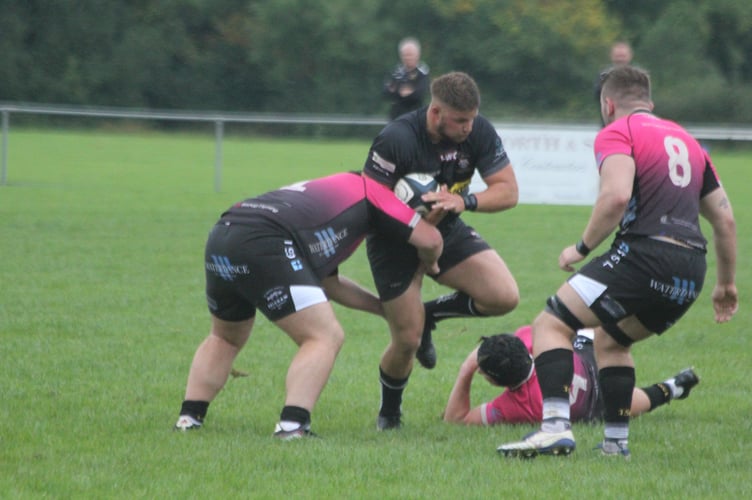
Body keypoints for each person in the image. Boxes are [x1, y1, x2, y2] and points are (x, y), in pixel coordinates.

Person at [497, 65, 737, 459]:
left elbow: (615, 197)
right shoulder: (688, 142)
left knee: (551, 324)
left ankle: (554, 428)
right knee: (612, 340)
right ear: (650, 103)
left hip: (645, 256)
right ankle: (615, 444)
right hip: (692, 271)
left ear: (608, 104)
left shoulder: (617, 131)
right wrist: (726, 284)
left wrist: (581, 247)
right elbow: (724, 220)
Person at [173, 171, 442, 439]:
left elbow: (329, 283)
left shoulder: (344, 190)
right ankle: (292, 426)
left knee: (225, 338)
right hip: (266, 239)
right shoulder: (376, 193)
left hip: (224, 233)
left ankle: (189, 419)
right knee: (324, 336)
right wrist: (431, 264)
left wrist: (385, 310)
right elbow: (431, 240)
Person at [363, 71, 520, 430]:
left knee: (503, 296)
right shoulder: (397, 139)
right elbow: (370, 201)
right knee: (407, 339)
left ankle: (430, 314)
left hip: (446, 224)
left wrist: (464, 201)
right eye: (460, 120)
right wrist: (414, 225)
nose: (468, 127)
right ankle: (389, 415)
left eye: (472, 118)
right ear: (436, 113)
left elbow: (508, 190)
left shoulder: (479, 130)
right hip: (393, 237)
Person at [443, 325, 699, 426]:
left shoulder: (515, 406)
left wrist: (466, 370)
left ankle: (673, 387)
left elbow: (455, 419)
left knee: (621, 405)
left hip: (591, 404)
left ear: (496, 381)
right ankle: (676, 386)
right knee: (586, 328)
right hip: (587, 357)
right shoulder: (528, 336)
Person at [383, 37, 430, 120]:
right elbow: (386, 91)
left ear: (417, 55)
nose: (407, 58)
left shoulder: (423, 72)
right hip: (396, 117)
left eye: (410, 55)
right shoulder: (395, 71)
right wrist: (404, 91)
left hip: (415, 117)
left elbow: (419, 94)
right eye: (405, 55)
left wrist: (397, 90)